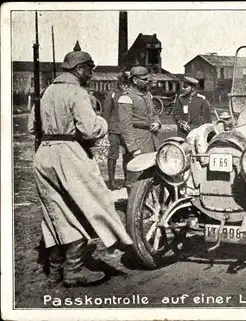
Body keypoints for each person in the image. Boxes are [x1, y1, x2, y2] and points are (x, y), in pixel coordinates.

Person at [28, 42, 133, 287]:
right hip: (69, 153)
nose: (91, 74)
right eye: (89, 69)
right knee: (88, 206)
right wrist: (103, 123)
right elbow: (89, 129)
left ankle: (56, 271)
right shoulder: (77, 93)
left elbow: (32, 127)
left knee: (55, 213)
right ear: (78, 69)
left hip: (44, 154)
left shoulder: (46, 93)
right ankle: (75, 270)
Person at [117, 66, 162, 191]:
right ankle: (133, 209)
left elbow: (153, 114)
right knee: (135, 179)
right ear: (135, 80)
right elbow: (125, 127)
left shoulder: (147, 95)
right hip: (136, 142)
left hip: (150, 140)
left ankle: (149, 208)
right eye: (144, 79)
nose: (147, 81)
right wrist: (134, 149)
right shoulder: (126, 97)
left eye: (147, 78)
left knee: (153, 177)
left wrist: (157, 123)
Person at [101, 71, 131, 190]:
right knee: (113, 155)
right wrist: (105, 129)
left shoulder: (130, 94)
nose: (125, 86)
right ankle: (112, 182)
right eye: (123, 83)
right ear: (120, 82)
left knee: (128, 155)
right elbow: (106, 113)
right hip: (114, 130)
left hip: (127, 129)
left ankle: (127, 180)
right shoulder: (112, 94)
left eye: (127, 83)